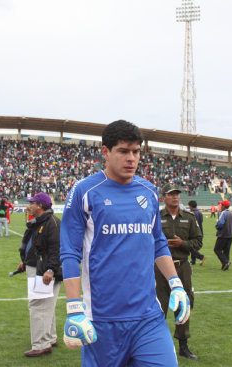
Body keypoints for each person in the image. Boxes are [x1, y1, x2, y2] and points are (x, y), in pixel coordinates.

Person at [60, 120, 190, 367]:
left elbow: (158, 242)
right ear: (106, 152)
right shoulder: (85, 191)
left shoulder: (149, 190)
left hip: (148, 317)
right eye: (123, 151)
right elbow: (69, 252)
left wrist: (176, 284)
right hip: (102, 319)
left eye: (136, 151)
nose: (131, 158)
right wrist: (74, 308)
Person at [156, 185, 203, 359]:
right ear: (164, 197)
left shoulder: (189, 218)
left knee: (184, 304)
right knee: (158, 305)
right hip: (159, 268)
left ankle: (183, 345)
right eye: (171, 194)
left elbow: (198, 242)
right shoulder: (156, 217)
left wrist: (182, 244)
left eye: (177, 194)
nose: (175, 197)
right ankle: (157, 346)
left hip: (182, 266)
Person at [16, 192, 62, 357]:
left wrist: (50, 269)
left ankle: (41, 344)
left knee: (38, 306)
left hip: (43, 270)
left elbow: (56, 249)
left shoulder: (51, 223)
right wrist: (25, 261)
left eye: (32, 203)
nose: (29, 206)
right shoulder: (40, 222)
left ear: (40, 206)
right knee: (46, 306)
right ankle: (49, 338)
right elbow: (35, 246)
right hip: (38, 267)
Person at [214, 200, 232, 270]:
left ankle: (226, 262)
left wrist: (216, 227)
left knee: (217, 249)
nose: (220, 206)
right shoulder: (231, 213)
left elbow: (220, 223)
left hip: (223, 235)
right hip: (230, 234)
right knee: (226, 251)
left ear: (223, 206)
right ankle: (225, 266)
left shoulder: (223, 213)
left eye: (221, 205)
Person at [187, 200, 205, 266]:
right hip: (200, 231)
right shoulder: (199, 213)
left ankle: (201, 257)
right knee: (193, 247)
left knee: (190, 247)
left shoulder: (191, 213)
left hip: (193, 232)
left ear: (191, 206)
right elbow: (201, 221)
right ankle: (193, 261)